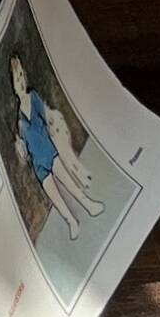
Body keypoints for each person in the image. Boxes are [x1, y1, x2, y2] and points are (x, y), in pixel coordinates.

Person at [10, 52, 106, 223]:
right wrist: (20, 149)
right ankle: (71, 221)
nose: (21, 81)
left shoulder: (34, 99)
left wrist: (54, 123)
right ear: (14, 88)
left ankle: (89, 205)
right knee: (56, 198)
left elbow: (48, 116)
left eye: (21, 76)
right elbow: (25, 156)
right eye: (17, 80)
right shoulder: (19, 122)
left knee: (68, 183)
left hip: (50, 154)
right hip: (39, 166)